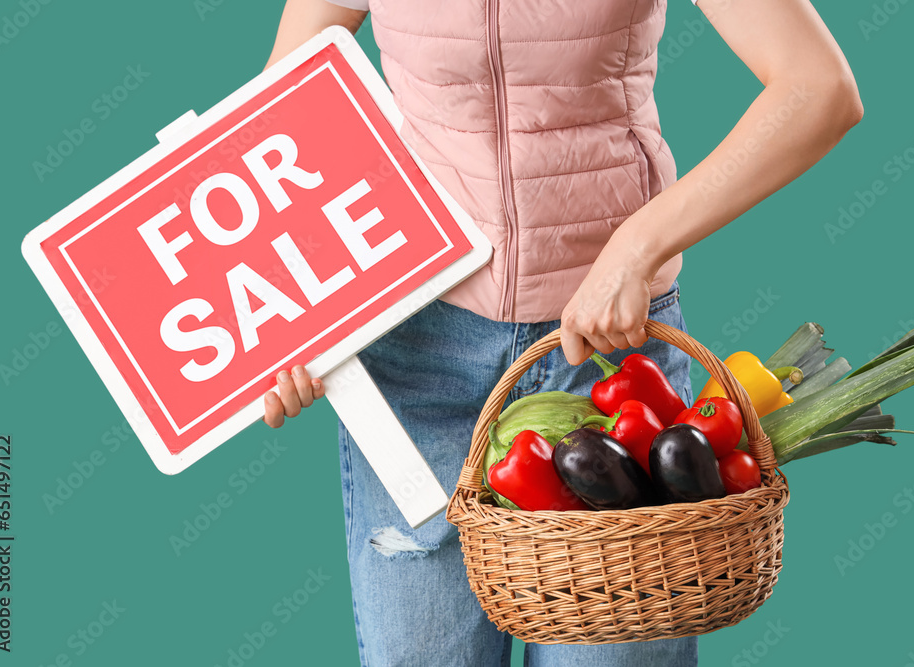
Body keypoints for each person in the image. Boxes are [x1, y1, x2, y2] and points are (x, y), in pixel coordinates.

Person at [260, 1, 862, 665]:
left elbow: (818, 89)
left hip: (611, 370)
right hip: (412, 367)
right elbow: (284, 117)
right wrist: (281, 320)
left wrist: (638, 245)